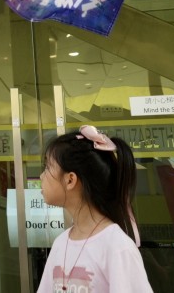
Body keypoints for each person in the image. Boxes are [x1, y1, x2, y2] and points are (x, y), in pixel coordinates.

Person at [35, 125, 152, 292]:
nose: (41, 176)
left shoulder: (117, 247)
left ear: (70, 180)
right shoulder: (60, 243)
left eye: (47, 167)